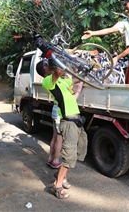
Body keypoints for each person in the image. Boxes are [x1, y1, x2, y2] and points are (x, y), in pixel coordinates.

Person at [36, 59, 87, 199]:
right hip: (68, 120)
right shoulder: (47, 81)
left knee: (78, 151)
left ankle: (61, 175)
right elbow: (59, 71)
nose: (49, 64)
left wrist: (83, 72)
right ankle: (57, 186)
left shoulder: (63, 82)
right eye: (47, 63)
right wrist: (58, 60)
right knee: (69, 154)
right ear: (45, 69)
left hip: (76, 119)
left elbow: (76, 81)